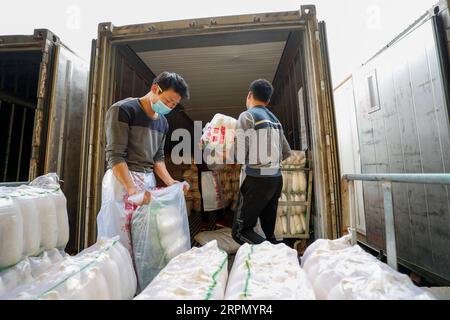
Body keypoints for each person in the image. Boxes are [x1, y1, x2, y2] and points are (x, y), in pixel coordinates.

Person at [97, 71, 190, 253]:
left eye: (174, 104)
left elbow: (157, 158)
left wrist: (170, 182)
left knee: (144, 240)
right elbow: (115, 155)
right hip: (122, 181)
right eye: (168, 100)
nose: (170, 106)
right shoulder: (124, 110)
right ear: (155, 89)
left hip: (147, 181)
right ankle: (120, 279)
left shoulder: (163, 122)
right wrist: (132, 190)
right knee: (119, 241)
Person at [231, 79, 292, 245]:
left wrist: (216, 150)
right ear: (268, 100)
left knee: (240, 232)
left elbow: (240, 156)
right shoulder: (274, 119)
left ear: (250, 94)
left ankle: (271, 254)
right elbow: (286, 152)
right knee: (268, 231)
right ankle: (276, 255)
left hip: (257, 181)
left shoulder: (247, 116)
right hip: (275, 179)